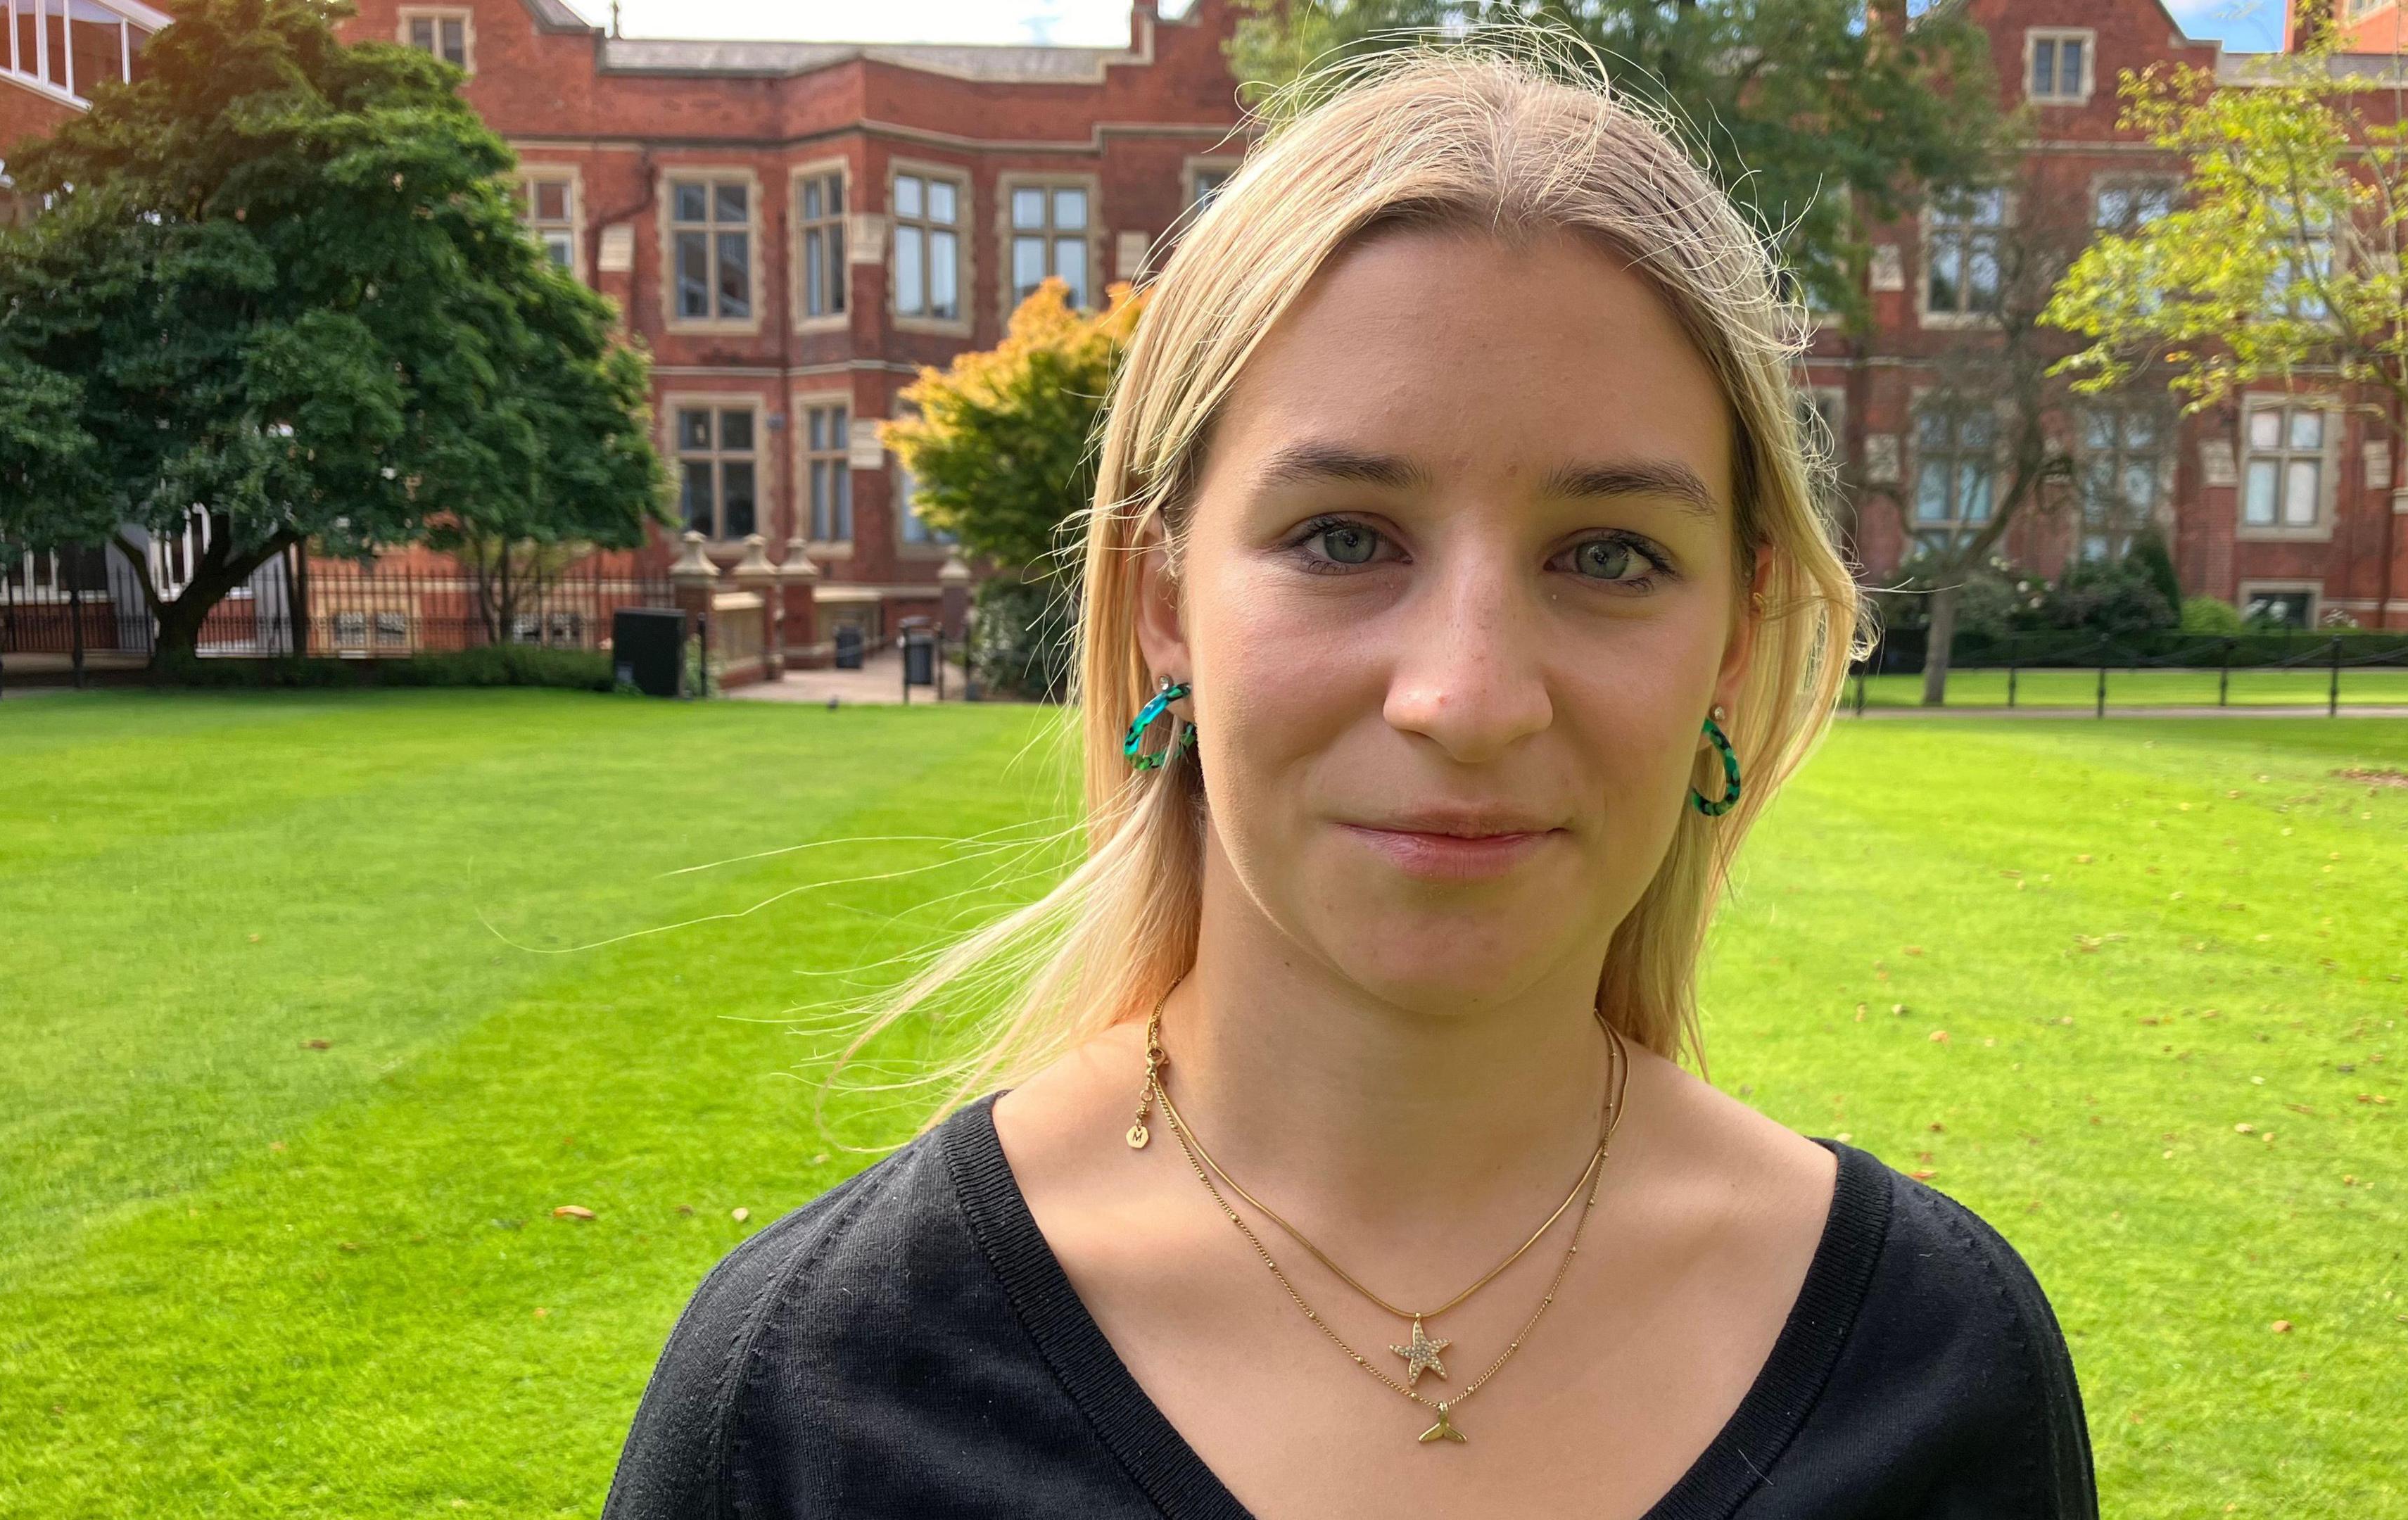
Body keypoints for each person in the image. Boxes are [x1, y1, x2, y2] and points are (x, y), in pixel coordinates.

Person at [601, 39, 2098, 1520]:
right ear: (1162, 598)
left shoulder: (1940, 1362)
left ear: (1732, 637)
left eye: (1610, 556)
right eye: (1343, 537)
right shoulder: (809, 1390)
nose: (1468, 698)